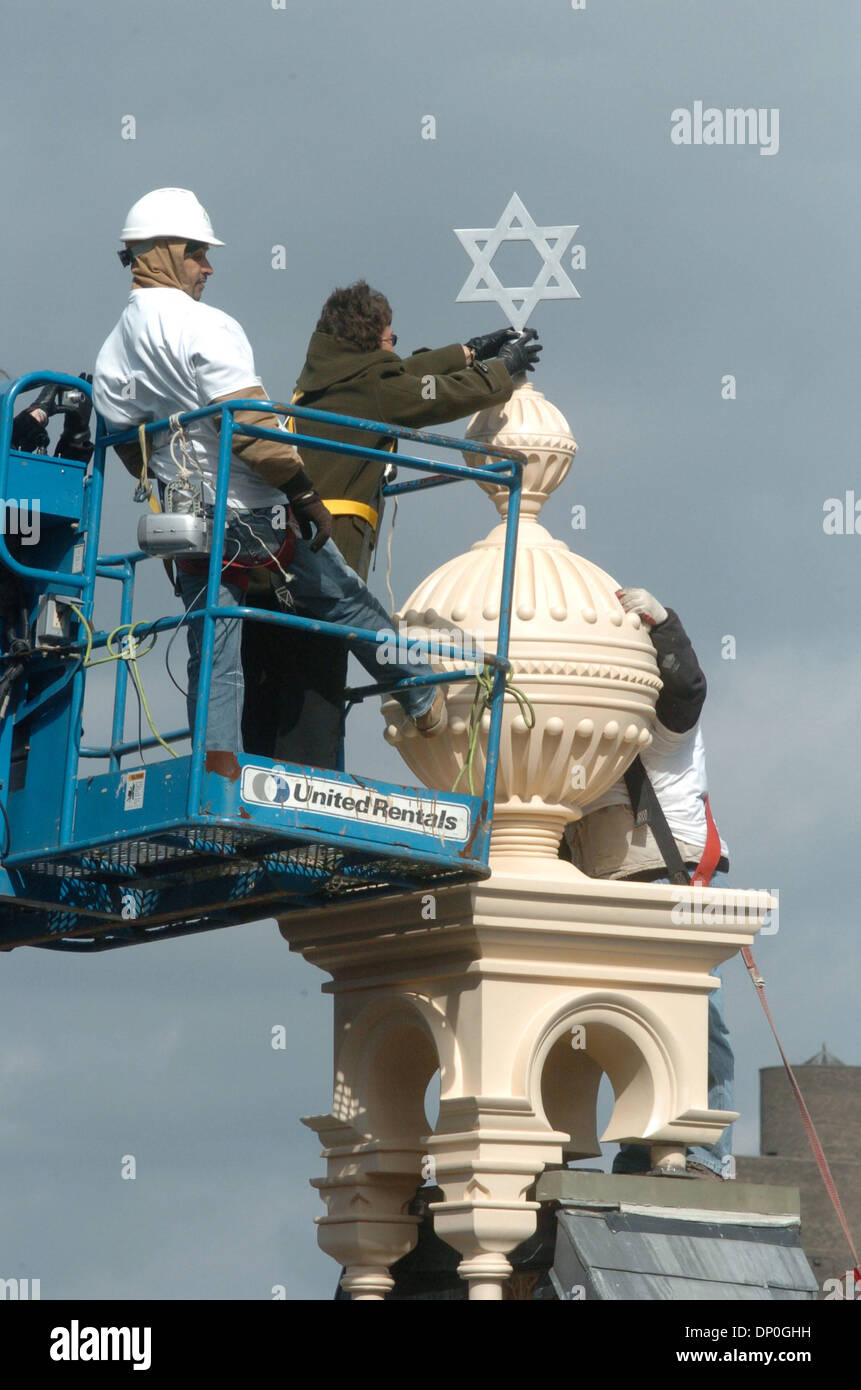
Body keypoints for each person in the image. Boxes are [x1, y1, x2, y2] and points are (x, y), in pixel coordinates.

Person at [92, 189, 448, 755]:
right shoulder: (206, 326)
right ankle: (424, 696)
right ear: (162, 252)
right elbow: (254, 426)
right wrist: (304, 494)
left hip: (191, 527)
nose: (207, 267)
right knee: (349, 603)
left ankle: (217, 766)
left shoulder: (112, 353)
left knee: (213, 645)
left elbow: (129, 446)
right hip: (259, 516)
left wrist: (174, 497)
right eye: (196, 253)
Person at [241, 279, 542, 768]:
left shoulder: (318, 382)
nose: (395, 344)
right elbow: (432, 396)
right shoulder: (374, 390)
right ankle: (313, 801)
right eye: (389, 337)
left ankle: (254, 785)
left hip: (276, 548)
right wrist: (498, 374)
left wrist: (467, 352)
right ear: (368, 341)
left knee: (273, 675)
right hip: (329, 542)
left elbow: (400, 374)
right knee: (319, 680)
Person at [561, 586, 734, 1180]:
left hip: (666, 884)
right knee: (621, 1024)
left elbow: (686, 687)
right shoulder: (582, 746)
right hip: (606, 893)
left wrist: (664, 623)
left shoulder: (659, 731)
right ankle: (642, 1147)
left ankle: (701, 1153)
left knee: (691, 1025)